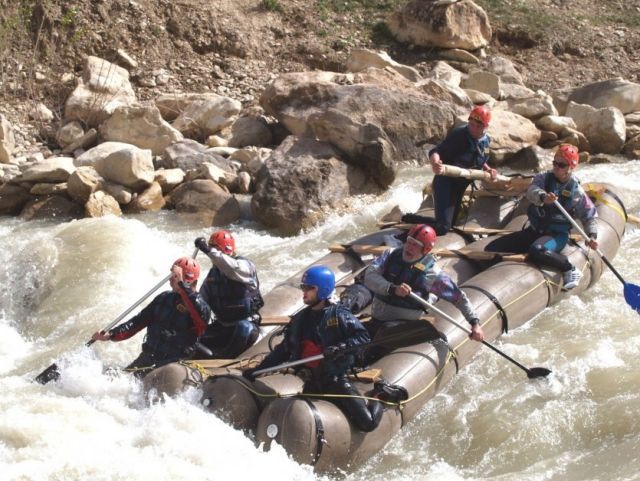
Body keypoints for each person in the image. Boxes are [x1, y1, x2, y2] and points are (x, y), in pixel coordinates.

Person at [243, 265, 406, 432]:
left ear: (323, 290)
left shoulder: (340, 315)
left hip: (336, 380)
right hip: (312, 382)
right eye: (303, 287)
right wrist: (258, 370)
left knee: (368, 423)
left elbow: (362, 337)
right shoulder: (301, 319)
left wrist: (341, 347)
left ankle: (378, 394)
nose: (304, 292)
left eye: (309, 288)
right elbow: (283, 350)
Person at [485, 144, 598, 290]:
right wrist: (543, 197)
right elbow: (531, 191)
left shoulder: (576, 191)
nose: (556, 167)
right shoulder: (543, 178)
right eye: (555, 163)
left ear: (571, 167)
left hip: (557, 235)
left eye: (561, 165)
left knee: (537, 250)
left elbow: (589, 215)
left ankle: (569, 268)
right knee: (492, 248)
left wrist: (592, 236)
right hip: (534, 230)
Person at [363, 224, 485, 355]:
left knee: (384, 333)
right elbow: (369, 275)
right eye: (409, 242)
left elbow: (459, 298)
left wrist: (475, 323)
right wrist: (392, 288)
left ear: (426, 250)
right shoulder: (391, 255)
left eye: (415, 245)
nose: (409, 247)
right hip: (377, 318)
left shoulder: (431, 274)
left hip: (400, 325)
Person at [91, 257, 211, 377]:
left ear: (187, 280)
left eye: (174, 277)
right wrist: (111, 334)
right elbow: (137, 322)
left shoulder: (201, 307)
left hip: (173, 365)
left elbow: (197, 310)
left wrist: (181, 285)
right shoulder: (163, 298)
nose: (170, 280)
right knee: (113, 380)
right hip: (148, 359)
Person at [426, 105, 498, 235]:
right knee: (443, 227)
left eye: (478, 126)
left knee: (450, 224)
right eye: (471, 124)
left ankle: (410, 218)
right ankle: (403, 235)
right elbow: (435, 151)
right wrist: (435, 162)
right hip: (446, 182)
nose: (474, 129)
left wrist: (488, 169)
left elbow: (481, 160)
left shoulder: (486, 141)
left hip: (460, 185)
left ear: (485, 127)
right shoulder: (459, 135)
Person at [194, 230, 264, 358]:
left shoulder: (245, 266)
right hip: (223, 326)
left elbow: (232, 268)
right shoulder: (212, 276)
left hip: (247, 326)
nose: (211, 254)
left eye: (214, 249)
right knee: (193, 336)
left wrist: (207, 249)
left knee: (244, 328)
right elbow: (200, 302)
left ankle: (224, 359)